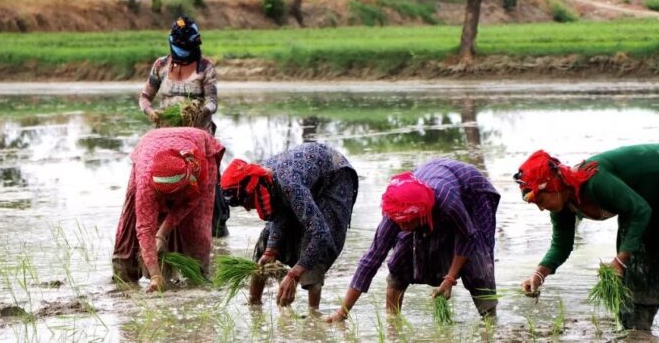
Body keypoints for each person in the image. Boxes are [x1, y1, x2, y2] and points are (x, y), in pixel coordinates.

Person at [513, 144, 659, 333]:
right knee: (632, 270)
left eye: (541, 200)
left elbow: (640, 210)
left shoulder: (594, 181)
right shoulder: (561, 204)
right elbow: (561, 244)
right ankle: (637, 331)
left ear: (554, 186)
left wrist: (619, 260)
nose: (541, 207)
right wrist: (538, 275)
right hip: (638, 202)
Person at [326, 158, 501, 323]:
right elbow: (372, 258)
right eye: (400, 223)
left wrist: (450, 279)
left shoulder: (448, 202)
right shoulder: (396, 211)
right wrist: (342, 312)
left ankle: (490, 320)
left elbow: (467, 236)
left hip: (473, 193)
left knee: (477, 256)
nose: (403, 227)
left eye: (409, 222)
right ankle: (392, 321)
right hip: (424, 193)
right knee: (402, 253)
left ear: (423, 213)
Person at [220, 143, 358, 309]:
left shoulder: (290, 185)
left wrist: (294, 274)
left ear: (252, 190)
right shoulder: (264, 179)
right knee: (265, 242)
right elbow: (280, 213)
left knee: (313, 244)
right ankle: (254, 304)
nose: (248, 208)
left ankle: (313, 316)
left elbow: (321, 233)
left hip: (335, 177)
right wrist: (271, 249)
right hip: (304, 179)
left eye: (246, 202)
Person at [138, 16, 229, 238]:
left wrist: (199, 111)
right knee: (167, 186)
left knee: (208, 191)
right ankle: (167, 235)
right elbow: (144, 98)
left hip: (199, 139)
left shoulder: (205, 67)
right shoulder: (161, 65)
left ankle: (216, 236)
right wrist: (151, 112)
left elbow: (212, 102)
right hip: (167, 140)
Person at [112, 127, 225, 292]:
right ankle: (125, 276)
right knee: (130, 224)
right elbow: (144, 228)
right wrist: (156, 276)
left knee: (197, 227)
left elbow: (189, 203)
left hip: (198, 143)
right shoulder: (146, 183)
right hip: (149, 145)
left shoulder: (196, 169)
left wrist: (162, 233)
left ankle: (198, 276)